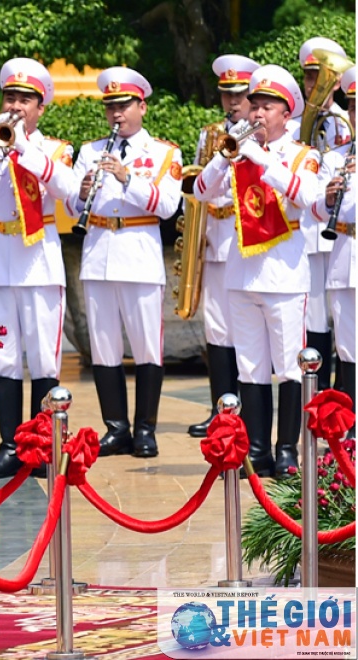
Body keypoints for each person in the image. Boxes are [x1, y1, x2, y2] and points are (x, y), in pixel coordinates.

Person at [194, 65, 321, 477]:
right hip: (241, 274)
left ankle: (287, 449)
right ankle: (258, 450)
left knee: (288, 367)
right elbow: (199, 192)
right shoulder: (238, 150)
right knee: (250, 367)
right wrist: (224, 157)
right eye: (255, 105)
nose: (258, 113)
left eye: (268, 107)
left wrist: (262, 158)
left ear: (287, 113)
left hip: (283, 277)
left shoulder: (304, 155)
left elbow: (308, 199)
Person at [0, 57, 77, 479]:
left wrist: (24, 148)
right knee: (3, 358)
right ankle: (9, 445)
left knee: (44, 358)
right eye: (11, 97)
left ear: (41, 108)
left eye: (26, 99)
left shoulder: (55, 149)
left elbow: (69, 190)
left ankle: (41, 447)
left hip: (39, 260)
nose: (16, 105)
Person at [64, 67, 183, 459]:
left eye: (124, 105)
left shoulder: (164, 153)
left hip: (139, 253)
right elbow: (72, 205)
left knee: (148, 346)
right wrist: (80, 194)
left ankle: (145, 428)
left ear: (142, 106)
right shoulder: (89, 150)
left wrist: (127, 177)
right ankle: (115, 427)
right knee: (103, 347)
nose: (116, 113)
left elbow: (167, 206)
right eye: (111, 106)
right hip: (99, 253)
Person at [186, 55, 259, 438]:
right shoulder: (210, 132)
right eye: (226, 94)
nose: (232, 102)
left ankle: (247, 413)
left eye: (240, 94)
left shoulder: (260, 134)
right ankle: (221, 410)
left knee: (242, 327)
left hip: (244, 235)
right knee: (216, 329)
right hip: (215, 236)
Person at [296, 37, 351, 391]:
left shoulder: (347, 121)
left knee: (347, 330)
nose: (316, 87)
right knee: (315, 321)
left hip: (344, 238)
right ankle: (317, 402)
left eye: (324, 80)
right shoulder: (292, 124)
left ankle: (344, 403)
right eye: (310, 79)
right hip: (307, 233)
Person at [311, 65, 356, 423]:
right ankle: (351, 430)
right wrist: (328, 199)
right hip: (343, 256)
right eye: (353, 106)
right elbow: (313, 210)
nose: (356, 114)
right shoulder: (335, 158)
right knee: (348, 348)